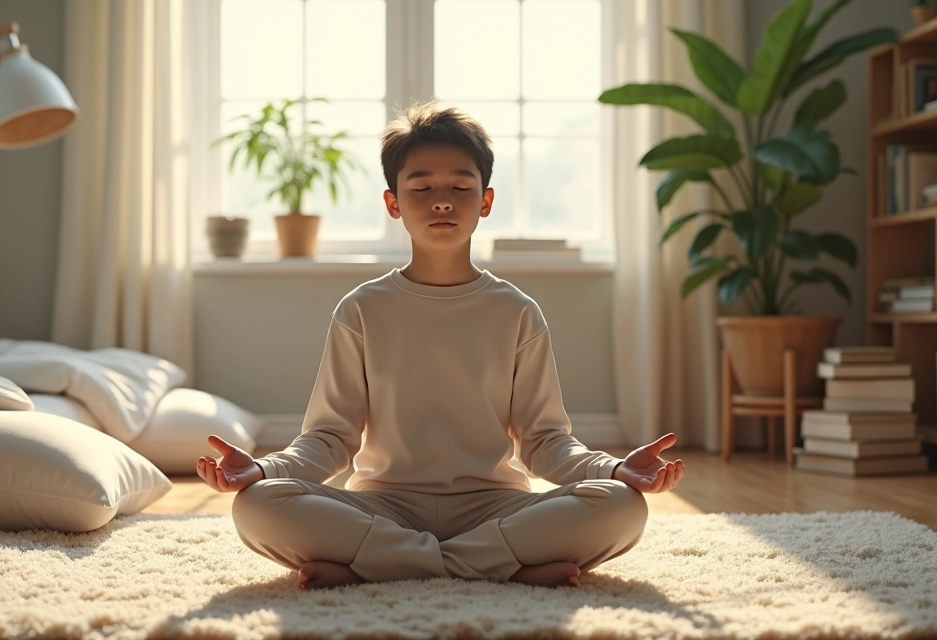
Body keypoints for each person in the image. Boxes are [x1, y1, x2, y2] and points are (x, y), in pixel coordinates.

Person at [196, 101, 684, 591]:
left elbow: (544, 442)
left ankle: (381, 565)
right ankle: (499, 566)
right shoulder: (361, 309)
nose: (443, 202)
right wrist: (263, 469)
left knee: (622, 505)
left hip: (495, 508)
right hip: (382, 507)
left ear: (485, 201)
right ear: (393, 204)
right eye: (422, 187)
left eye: (460, 187)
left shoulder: (517, 311)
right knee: (258, 505)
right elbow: (329, 438)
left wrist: (614, 469)